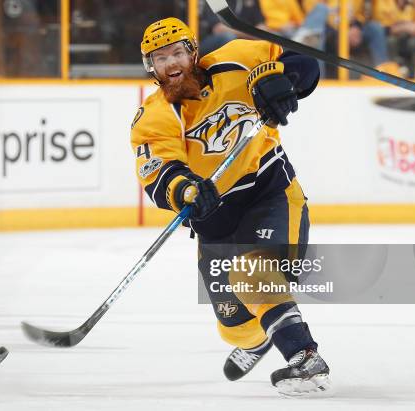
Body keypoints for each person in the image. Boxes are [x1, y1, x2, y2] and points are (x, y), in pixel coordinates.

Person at [130, 17, 330, 396]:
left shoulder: (239, 57)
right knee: (234, 325)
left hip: (269, 192)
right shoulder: (154, 115)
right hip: (215, 220)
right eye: (160, 59)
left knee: (253, 274)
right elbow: (160, 171)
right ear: (150, 68)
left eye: (177, 53)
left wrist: (284, 80)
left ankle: (305, 358)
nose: (171, 64)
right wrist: (186, 190)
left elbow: (303, 62)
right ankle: (257, 340)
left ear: (193, 52)